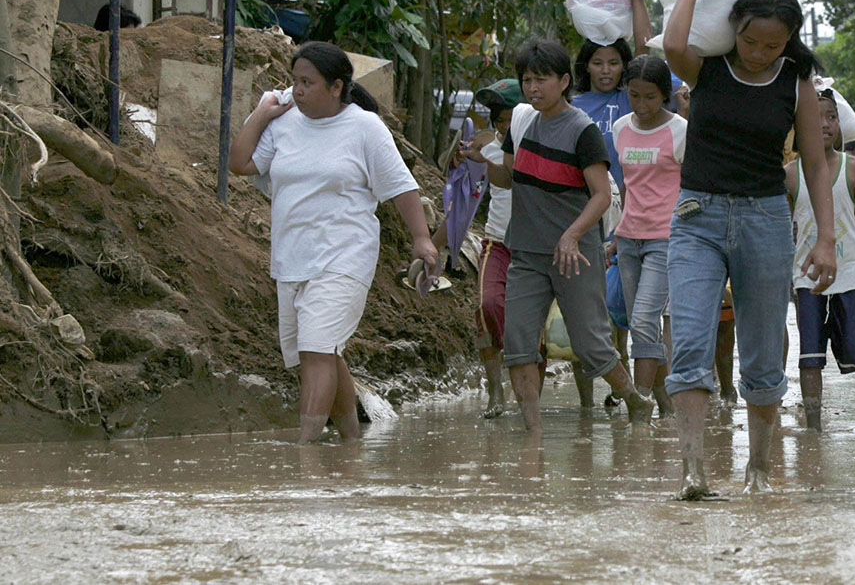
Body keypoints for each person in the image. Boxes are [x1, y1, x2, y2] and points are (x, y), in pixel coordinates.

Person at [662, 0, 837, 498]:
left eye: (773, 44)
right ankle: (692, 468)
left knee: (763, 349)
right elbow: (672, 41)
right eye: (750, 40)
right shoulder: (705, 70)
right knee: (689, 340)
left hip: (765, 220)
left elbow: (814, 163)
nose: (760, 52)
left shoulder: (796, 83)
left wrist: (826, 239)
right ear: (733, 28)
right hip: (696, 216)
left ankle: (759, 469)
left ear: (790, 42)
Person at [228, 41, 437, 444]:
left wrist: (421, 239)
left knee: (317, 351)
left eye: (308, 82)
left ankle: (305, 447)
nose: (299, 90)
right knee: (324, 350)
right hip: (292, 257)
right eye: (295, 82)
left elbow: (400, 187)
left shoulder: (365, 128)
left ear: (337, 87)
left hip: (346, 255)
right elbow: (240, 164)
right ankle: (351, 443)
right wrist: (261, 113)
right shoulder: (285, 121)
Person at [463, 39, 654, 433]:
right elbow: (509, 178)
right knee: (517, 343)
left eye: (541, 80)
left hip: (575, 253)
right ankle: (532, 434)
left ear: (564, 80)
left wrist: (571, 235)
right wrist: (487, 161)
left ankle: (636, 400)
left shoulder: (582, 131)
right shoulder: (523, 124)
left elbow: (602, 196)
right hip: (527, 251)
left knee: (591, 345)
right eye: (527, 80)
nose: (533, 88)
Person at [786, 89, 855, 431]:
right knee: (809, 355)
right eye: (815, 117)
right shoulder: (790, 174)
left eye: (831, 117)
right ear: (798, 124)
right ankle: (813, 427)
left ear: (840, 124)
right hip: (806, 276)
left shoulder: (854, 168)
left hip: (850, 273)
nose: (824, 124)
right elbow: (782, 227)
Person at [570, 0, 652, 407]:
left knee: (628, 305)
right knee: (591, 308)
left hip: (636, 215)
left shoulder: (632, 99)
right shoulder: (573, 105)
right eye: (598, 62)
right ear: (584, 66)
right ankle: (594, 400)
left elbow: (645, 50)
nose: (606, 70)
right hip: (587, 214)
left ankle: (632, 389)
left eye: (614, 62)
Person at [433, 79, 521, 418]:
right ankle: (495, 390)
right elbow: (461, 204)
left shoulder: (544, 145)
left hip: (535, 247)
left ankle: (527, 394)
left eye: (510, 118)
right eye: (499, 120)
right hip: (497, 242)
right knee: (486, 307)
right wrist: (434, 247)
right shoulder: (485, 149)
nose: (504, 127)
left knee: (532, 324)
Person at [606, 55, 686, 419]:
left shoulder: (680, 131)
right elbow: (626, 184)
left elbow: (694, 186)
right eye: (634, 95)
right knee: (638, 321)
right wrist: (615, 234)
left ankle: (639, 406)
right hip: (628, 238)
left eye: (650, 97)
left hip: (665, 238)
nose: (641, 105)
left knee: (643, 320)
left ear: (665, 95)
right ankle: (666, 404)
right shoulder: (621, 128)